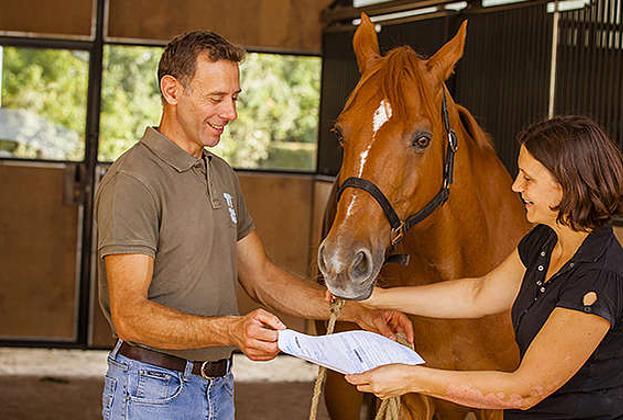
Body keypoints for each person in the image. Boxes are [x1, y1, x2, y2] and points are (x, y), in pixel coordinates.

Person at [95, 30, 413, 420]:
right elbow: (130, 314)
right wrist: (230, 331)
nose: (230, 113)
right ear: (172, 91)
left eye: (234, 98)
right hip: (152, 391)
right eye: (216, 98)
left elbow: (262, 277)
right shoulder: (135, 179)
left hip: (217, 387)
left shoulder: (221, 174)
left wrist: (356, 313)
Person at [343, 116, 623, 419]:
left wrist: (410, 378)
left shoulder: (599, 279)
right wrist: (375, 297)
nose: (516, 186)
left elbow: (523, 390)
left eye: (528, 179)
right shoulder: (545, 240)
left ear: (569, 185)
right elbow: (478, 293)